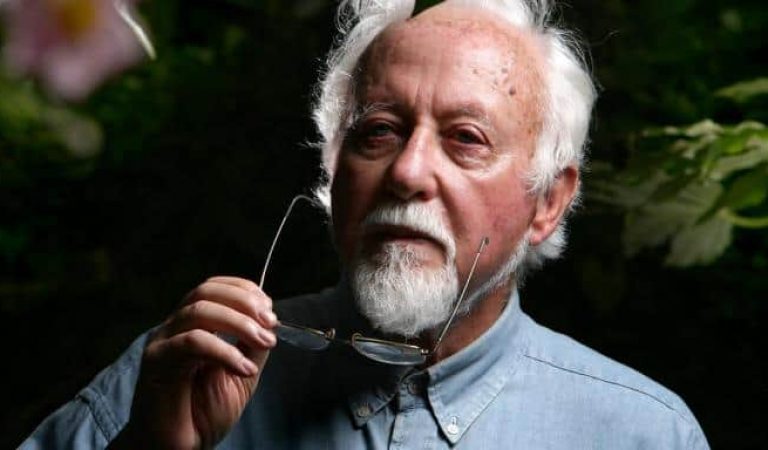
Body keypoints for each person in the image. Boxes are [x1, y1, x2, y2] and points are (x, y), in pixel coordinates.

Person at [22, 0, 709, 448]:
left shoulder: (643, 433)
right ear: (335, 167)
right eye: (379, 130)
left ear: (549, 201)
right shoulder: (178, 375)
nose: (407, 171)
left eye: (465, 138)